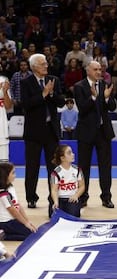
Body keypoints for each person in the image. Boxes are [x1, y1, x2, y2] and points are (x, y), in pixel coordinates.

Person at [21, 53, 65, 209]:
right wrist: (43, 94)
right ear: (34, 67)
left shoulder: (54, 80)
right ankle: (31, 198)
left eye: (46, 63)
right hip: (33, 132)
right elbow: (26, 104)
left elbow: (61, 102)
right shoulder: (25, 82)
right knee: (32, 167)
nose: (46, 65)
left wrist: (51, 93)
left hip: (51, 131)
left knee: (53, 168)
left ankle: (53, 198)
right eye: (42, 64)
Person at [74, 60, 117, 209]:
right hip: (86, 132)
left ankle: (106, 197)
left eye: (100, 69)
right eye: (96, 69)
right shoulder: (79, 87)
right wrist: (93, 97)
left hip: (103, 132)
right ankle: (83, 197)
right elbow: (82, 109)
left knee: (105, 166)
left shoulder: (105, 85)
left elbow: (112, 107)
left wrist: (106, 97)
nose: (99, 72)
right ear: (88, 71)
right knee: (83, 166)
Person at [0, 162, 37, 240]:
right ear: (5, 176)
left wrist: (27, 221)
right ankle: (4, 235)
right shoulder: (3, 194)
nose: (15, 175)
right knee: (30, 235)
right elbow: (13, 210)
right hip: (6, 222)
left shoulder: (11, 187)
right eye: (13, 173)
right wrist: (25, 223)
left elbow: (18, 205)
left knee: (33, 231)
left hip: (13, 220)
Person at [50, 144, 85, 217]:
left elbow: (82, 186)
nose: (73, 154)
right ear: (62, 158)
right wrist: (56, 202)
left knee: (73, 215)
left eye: (72, 152)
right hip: (60, 198)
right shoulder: (56, 172)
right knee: (54, 215)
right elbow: (54, 190)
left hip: (71, 198)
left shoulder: (77, 170)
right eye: (69, 153)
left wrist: (76, 195)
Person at [0, 76, 12, 161]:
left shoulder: (3, 80)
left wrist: (4, 92)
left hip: (2, 127)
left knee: (3, 163)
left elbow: (8, 107)